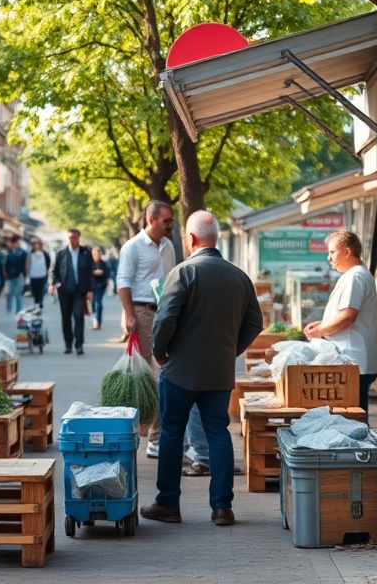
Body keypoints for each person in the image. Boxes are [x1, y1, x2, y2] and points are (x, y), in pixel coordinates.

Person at [140, 210, 263, 527]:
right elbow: (255, 323)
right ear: (216, 238)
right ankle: (222, 507)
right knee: (218, 434)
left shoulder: (183, 273)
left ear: (191, 238)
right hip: (219, 372)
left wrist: (159, 351)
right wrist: (230, 350)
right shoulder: (239, 276)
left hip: (180, 370)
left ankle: (168, 503)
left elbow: (165, 319)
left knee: (171, 434)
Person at [116, 201, 176, 454]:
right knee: (154, 374)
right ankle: (153, 438)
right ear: (151, 220)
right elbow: (123, 282)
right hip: (143, 313)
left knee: (162, 372)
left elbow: (172, 278)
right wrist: (129, 315)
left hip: (165, 312)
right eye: (166, 220)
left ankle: (150, 433)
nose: (170, 224)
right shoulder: (133, 247)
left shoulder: (168, 246)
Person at [304, 229, 377, 412]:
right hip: (353, 362)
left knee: (352, 420)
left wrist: (321, 331)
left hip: (353, 362)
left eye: (332, 252)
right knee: (352, 419)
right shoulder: (354, 275)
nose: (329, 258)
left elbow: (347, 317)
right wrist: (321, 325)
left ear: (347, 252)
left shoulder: (355, 276)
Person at [49, 228, 94, 355]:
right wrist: (54, 282)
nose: (72, 239)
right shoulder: (61, 253)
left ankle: (79, 345)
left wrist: (90, 289)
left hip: (80, 291)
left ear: (78, 238)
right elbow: (54, 270)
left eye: (74, 237)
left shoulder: (85, 252)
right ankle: (68, 344)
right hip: (64, 290)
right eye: (69, 237)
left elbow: (90, 272)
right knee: (66, 318)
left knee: (79, 316)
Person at [4, 235, 29, 314]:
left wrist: (25, 275)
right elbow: (6, 264)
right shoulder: (9, 252)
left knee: (17, 293)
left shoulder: (22, 252)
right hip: (11, 275)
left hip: (19, 275)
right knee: (10, 293)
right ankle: (9, 309)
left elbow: (25, 265)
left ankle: (19, 309)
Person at [28, 238, 52, 309]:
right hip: (33, 275)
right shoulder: (30, 254)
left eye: (37, 244)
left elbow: (48, 262)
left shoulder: (45, 254)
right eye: (34, 244)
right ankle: (36, 302)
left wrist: (45, 271)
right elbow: (28, 264)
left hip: (42, 275)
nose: (36, 246)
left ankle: (40, 302)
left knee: (41, 290)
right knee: (34, 290)